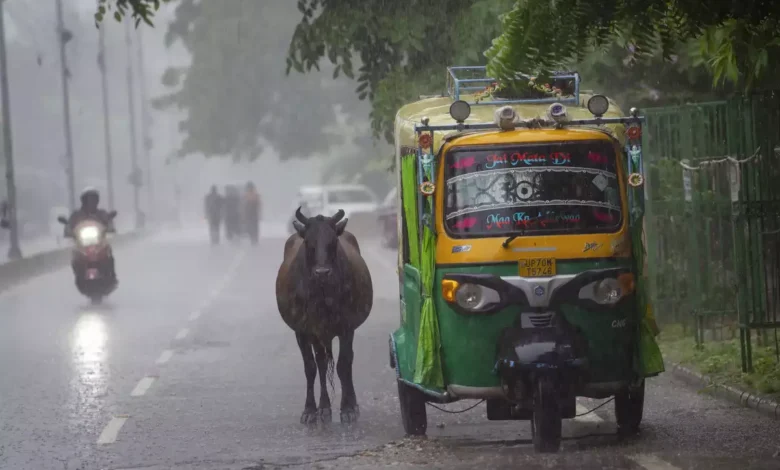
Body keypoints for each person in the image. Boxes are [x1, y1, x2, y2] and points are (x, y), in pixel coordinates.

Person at [66, 188, 117, 283]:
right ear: (83, 201)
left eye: (93, 199)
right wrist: (68, 231)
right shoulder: (77, 215)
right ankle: (78, 276)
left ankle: (111, 274)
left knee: (108, 250)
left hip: (99, 243)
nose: (91, 202)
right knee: (75, 254)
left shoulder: (101, 213)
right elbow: (70, 226)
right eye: (88, 199)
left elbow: (109, 223)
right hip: (82, 244)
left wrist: (110, 227)